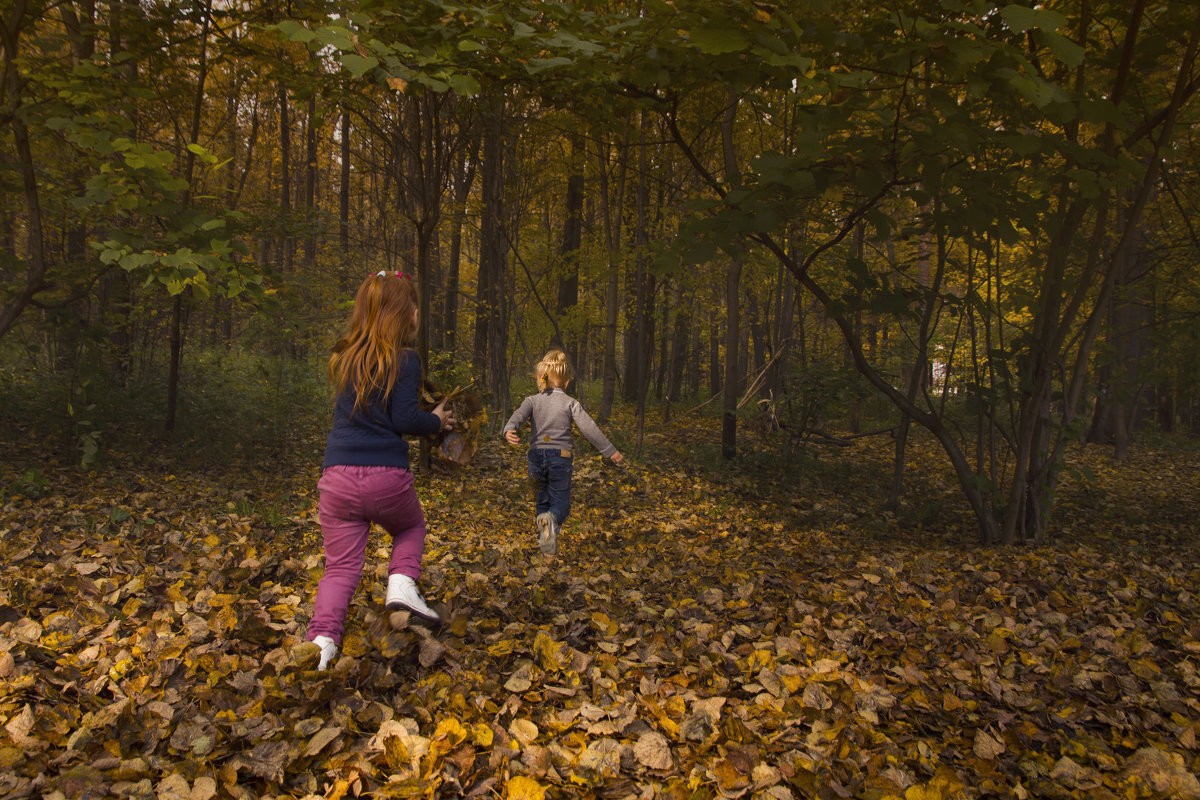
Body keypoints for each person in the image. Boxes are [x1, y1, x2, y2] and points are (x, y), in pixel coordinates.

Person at [306, 270, 455, 671]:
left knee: (339, 568)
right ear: (405, 315)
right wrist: (436, 421)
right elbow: (405, 418)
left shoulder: (344, 357)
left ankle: (321, 644)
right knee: (410, 528)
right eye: (414, 306)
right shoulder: (405, 359)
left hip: (336, 478)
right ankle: (401, 584)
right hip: (385, 477)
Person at [502, 349, 624, 557]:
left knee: (542, 499)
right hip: (561, 458)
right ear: (567, 382)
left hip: (536, 457)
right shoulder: (570, 403)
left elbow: (517, 417)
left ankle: (546, 544)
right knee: (560, 503)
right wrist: (609, 450)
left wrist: (508, 429)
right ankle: (551, 522)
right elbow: (589, 428)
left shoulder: (532, 400)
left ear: (542, 379)